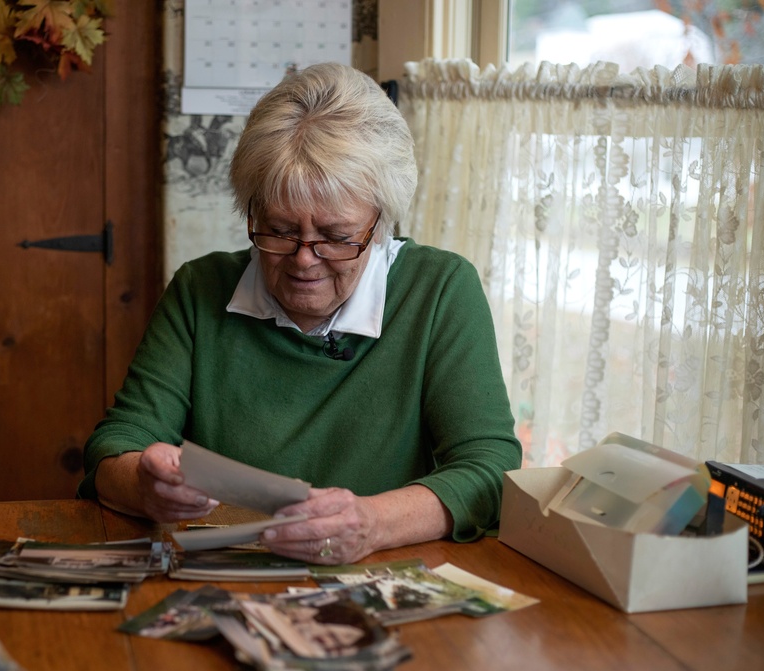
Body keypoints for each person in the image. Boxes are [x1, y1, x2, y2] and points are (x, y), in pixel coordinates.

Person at [79, 62, 521, 564]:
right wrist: (144, 482)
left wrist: (373, 524)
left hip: (377, 572)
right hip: (221, 574)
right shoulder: (200, 289)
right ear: (251, 211)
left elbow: (491, 467)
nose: (304, 259)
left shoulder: (439, 289)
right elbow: (117, 445)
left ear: (380, 225)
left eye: (335, 237)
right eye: (280, 230)